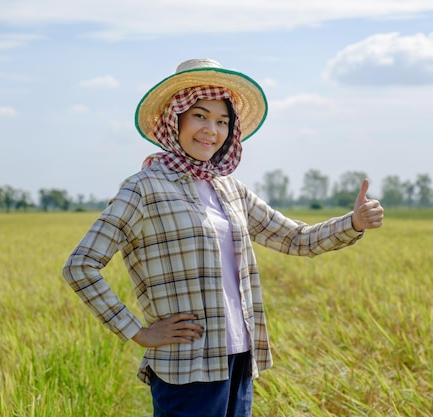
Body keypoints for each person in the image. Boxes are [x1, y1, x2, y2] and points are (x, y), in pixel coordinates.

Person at [62, 58, 384, 417]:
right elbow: (80, 266)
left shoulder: (229, 188)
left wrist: (353, 223)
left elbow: (296, 239)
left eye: (222, 121)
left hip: (240, 357)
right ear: (175, 119)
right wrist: (137, 331)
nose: (211, 130)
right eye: (199, 116)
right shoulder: (144, 188)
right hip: (187, 365)